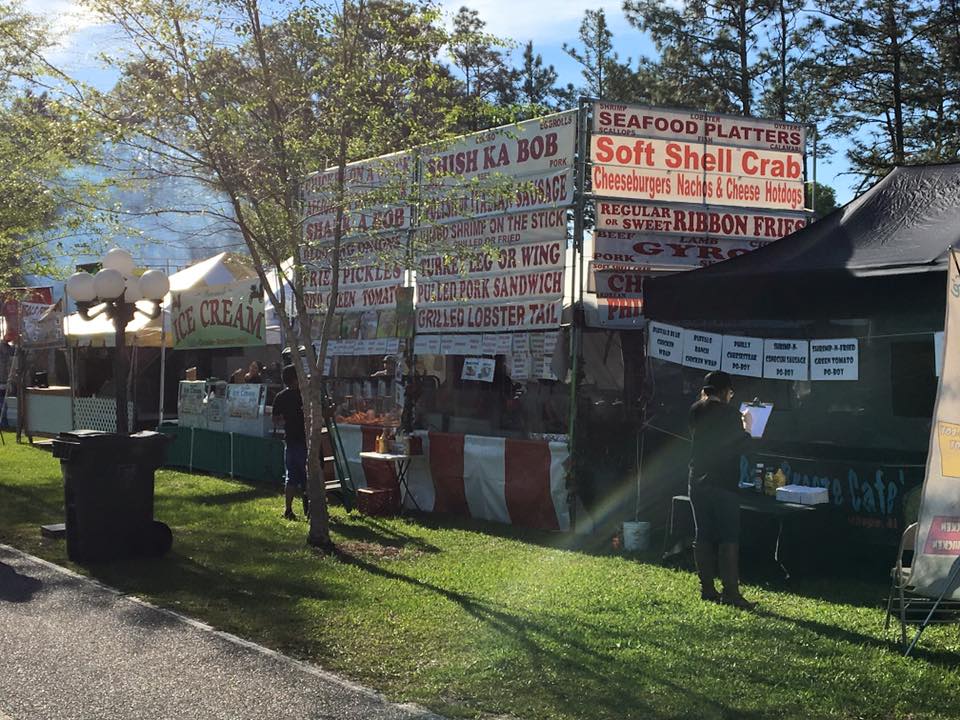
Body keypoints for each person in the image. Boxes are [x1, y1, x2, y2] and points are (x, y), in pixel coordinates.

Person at [688, 370, 755, 609]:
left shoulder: (695, 410)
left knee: (703, 534)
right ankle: (731, 592)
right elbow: (742, 446)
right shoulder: (730, 414)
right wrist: (747, 426)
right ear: (726, 391)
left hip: (697, 479)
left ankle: (707, 588)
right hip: (723, 481)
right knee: (729, 536)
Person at [272, 364, 307, 520]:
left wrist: (286, 420)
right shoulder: (303, 395)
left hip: (290, 440)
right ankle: (309, 510)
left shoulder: (280, 397)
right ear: (295, 379)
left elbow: (275, 419)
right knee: (307, 476)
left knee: (291, 477)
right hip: (303, 440)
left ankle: (288, 509)